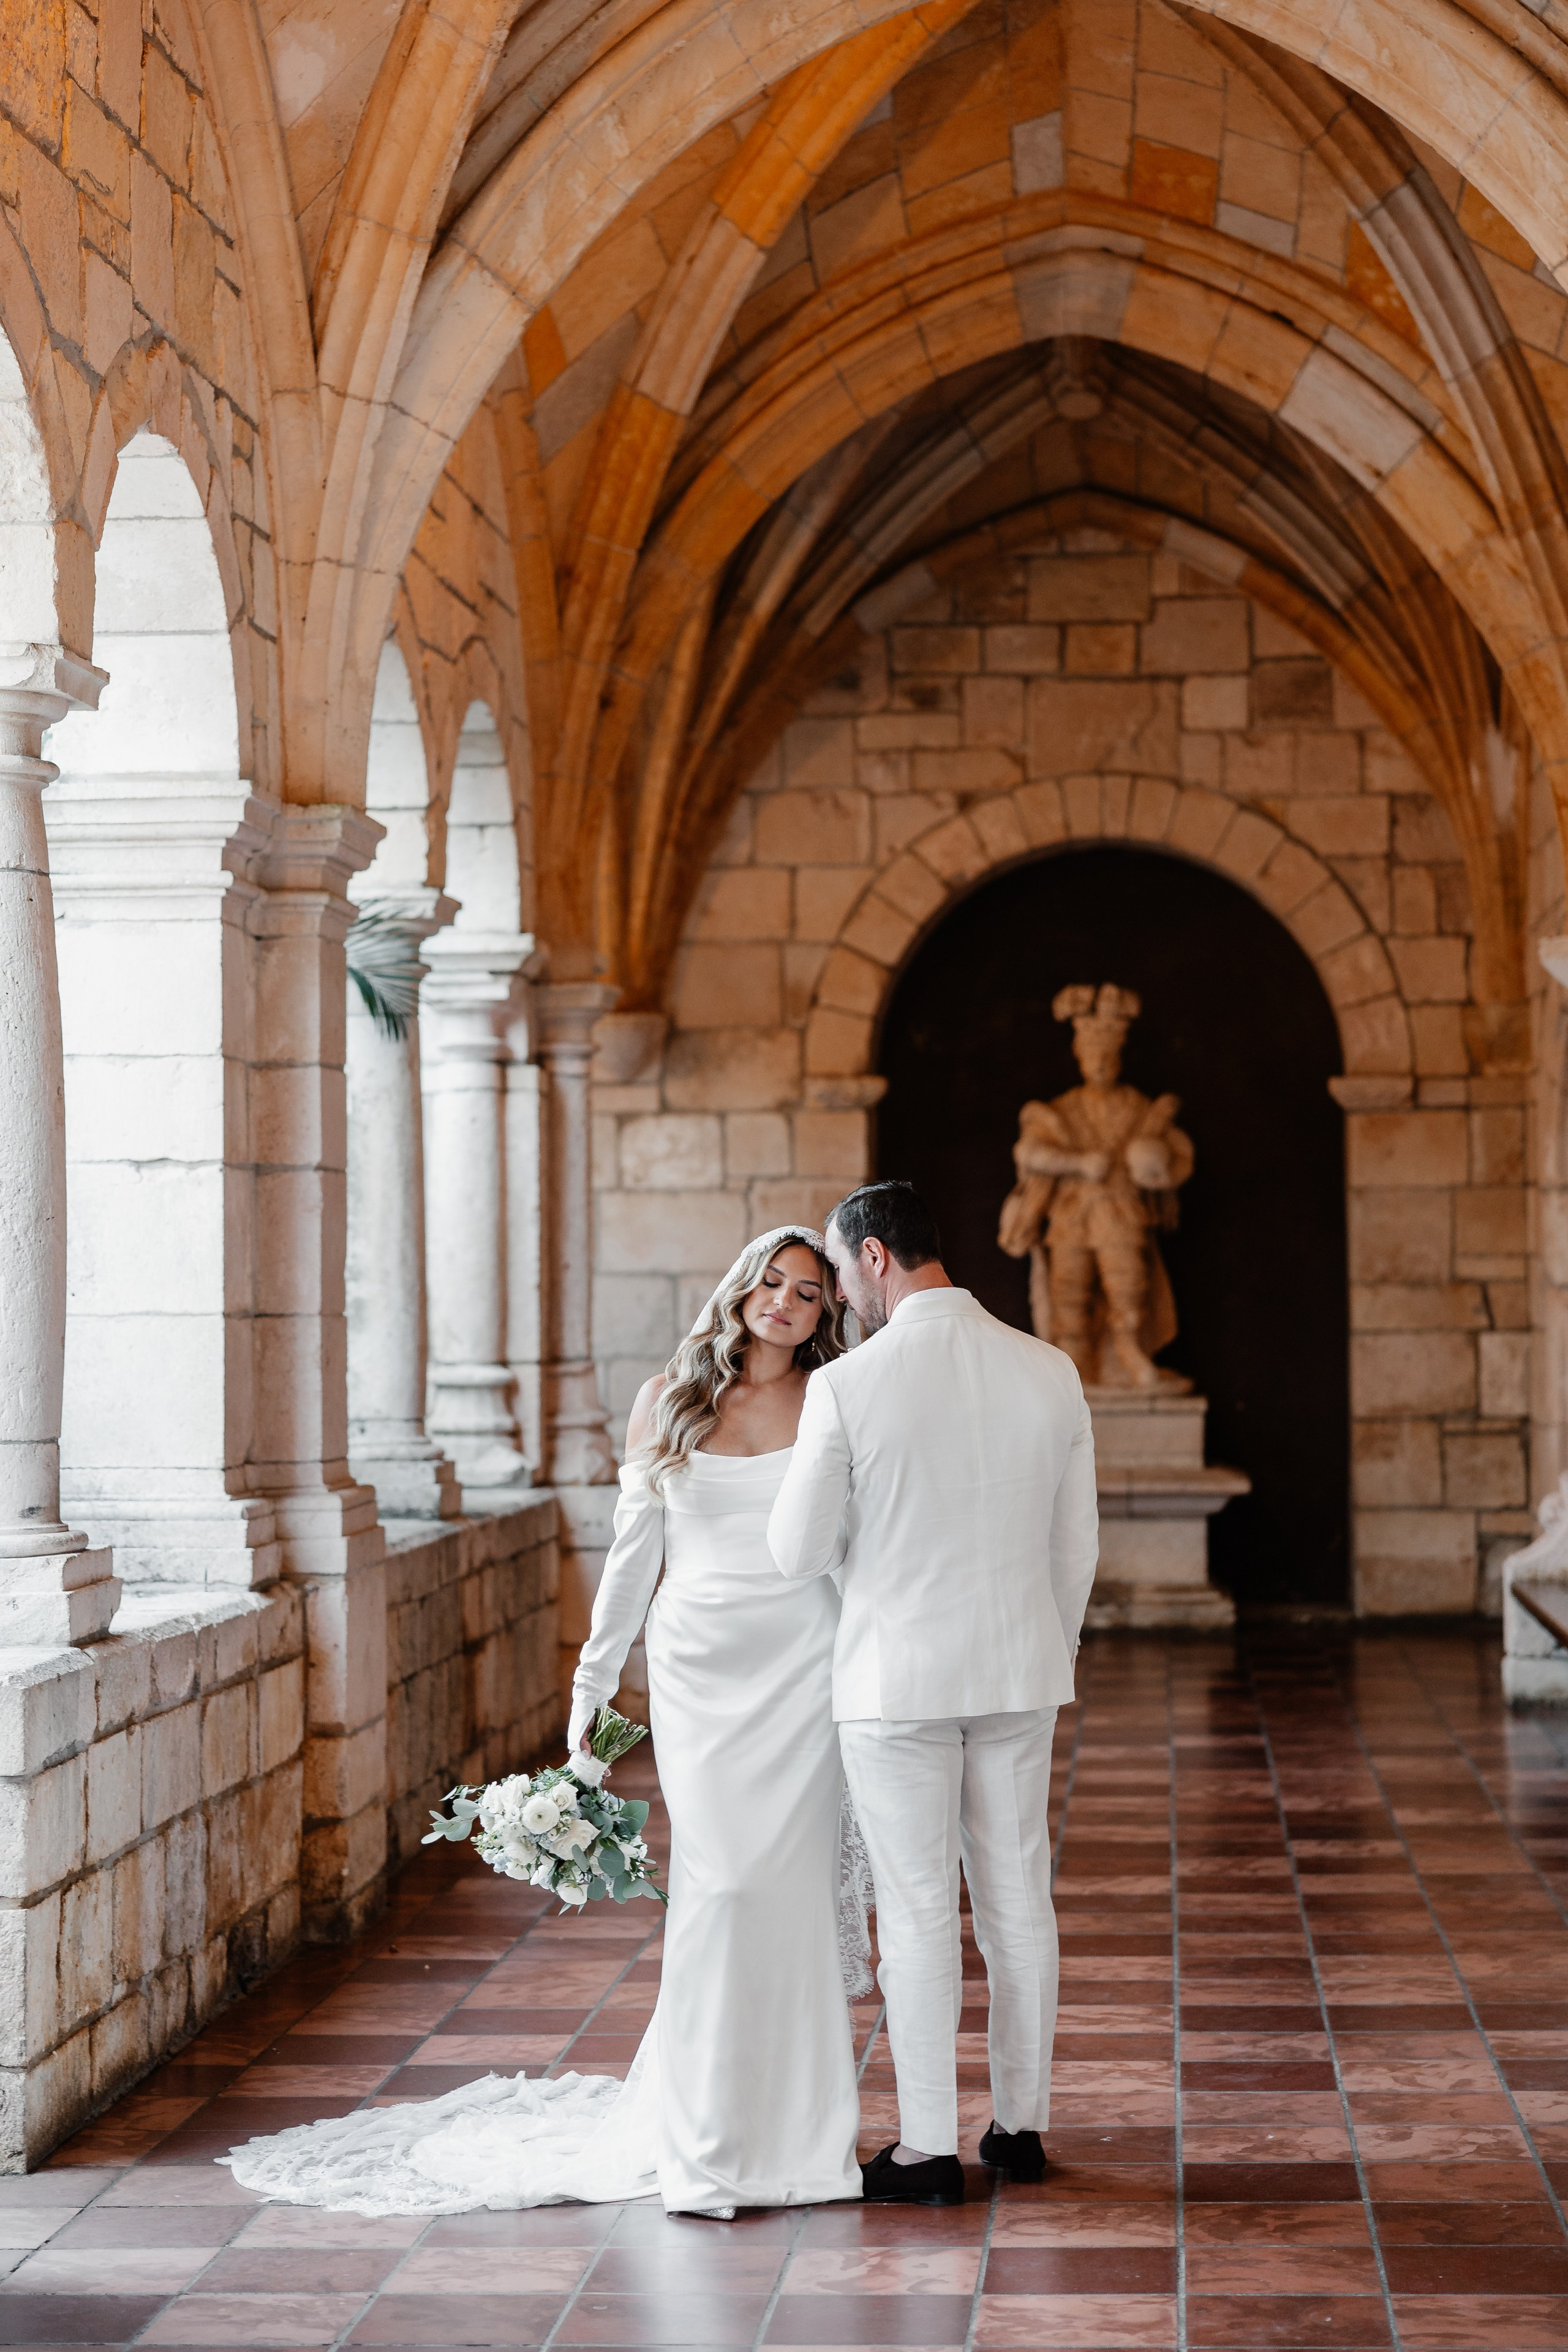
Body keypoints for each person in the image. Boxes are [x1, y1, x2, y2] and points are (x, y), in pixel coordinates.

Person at [221, 1227, 865, 2220]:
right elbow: (632, 1553)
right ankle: (704, 2143)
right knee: (721, 1890)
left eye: (808, 1294)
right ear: (740, 1290)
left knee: (786, 1895)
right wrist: (593, 1685)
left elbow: (855, 1538)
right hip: (700, 1669)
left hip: (803, 1668)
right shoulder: (672, 1400)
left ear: (827, 1315)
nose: (783, 1302)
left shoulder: (831, 1399)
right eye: (770, 1283)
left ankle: (803, 2141)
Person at [768, 1180, 1099, 2207]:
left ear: (874, 1259)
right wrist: (1042, 1645)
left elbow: (794, 1551)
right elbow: (1075, 1550)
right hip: (1019, 1670)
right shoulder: (1050, 1370)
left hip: (894, 1681)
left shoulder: (849, 1387)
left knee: (915, 1914)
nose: (841, 1296)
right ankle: (1020, 2127)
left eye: (839, 1270)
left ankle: (925, 2150)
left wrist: (862, 1577)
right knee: (1017, 1904)